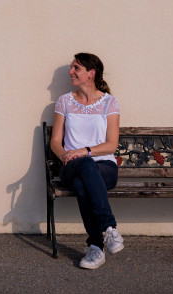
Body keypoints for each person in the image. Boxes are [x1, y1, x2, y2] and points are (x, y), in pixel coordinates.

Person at [49, 53, 124, 269]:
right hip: (71, 166)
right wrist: (64, 154)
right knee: (84, 166)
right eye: (71, 68)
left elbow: (111, 145)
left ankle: (96, 247)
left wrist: (83, 151)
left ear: (91, 74)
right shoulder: (64, 101)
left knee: (84, 183)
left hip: (104, 167)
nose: (70, 72)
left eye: (76, 68)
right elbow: (55, 141)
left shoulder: (109, 102)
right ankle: (110, 228)